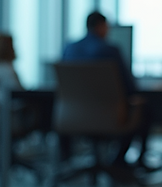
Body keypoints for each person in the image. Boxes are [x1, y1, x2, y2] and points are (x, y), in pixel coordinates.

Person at [62, 11, 151, 170]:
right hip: (108, 116)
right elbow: (130, 87)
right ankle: (120, 162)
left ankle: (65, 159)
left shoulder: (69, 49)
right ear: (101, 26)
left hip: (73, 115)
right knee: (145, 110)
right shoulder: (110, 50)